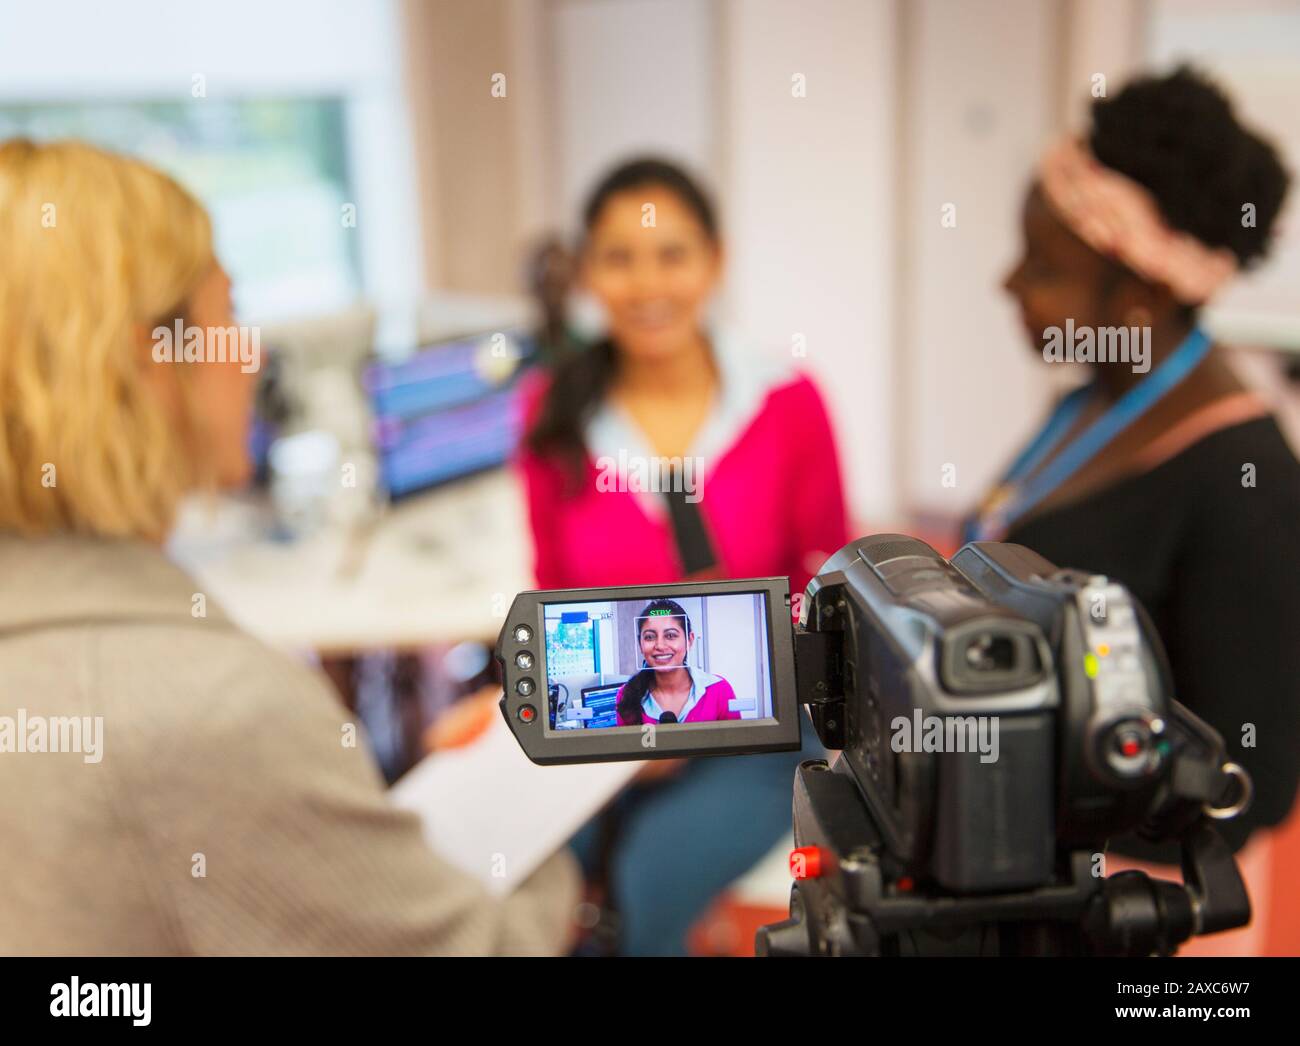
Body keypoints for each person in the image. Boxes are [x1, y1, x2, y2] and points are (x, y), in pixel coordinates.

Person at [0, 139, 577, 956]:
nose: (251, 354)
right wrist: (530, 790)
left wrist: (344, 830)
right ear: (147, 365)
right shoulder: (213, 713)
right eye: (227, 315)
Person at [516, 157, 849, 954]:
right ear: (588, 270)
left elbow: (828, 596)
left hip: (761, 725)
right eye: (619, 257)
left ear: (715, 260)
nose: (646, 283)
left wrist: (690, 731)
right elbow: (555, 593)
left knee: (652, 874)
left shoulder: (786, 402)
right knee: (535, 871)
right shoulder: (552, 411)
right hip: (608, 724)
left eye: (672, 254)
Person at [965, 67, 1300, 858]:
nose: (1006, 283)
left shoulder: (1245, 482)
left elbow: (1253, 781)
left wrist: (1045, 818)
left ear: (1137, 301)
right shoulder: (1093, 400)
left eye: (1042, 268)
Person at [614, 599, 740, 726]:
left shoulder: (719, 690)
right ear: (640, 644)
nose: (660, 646)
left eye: (670, 636)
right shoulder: (627, 695)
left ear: (689, 640)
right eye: (650, 637)